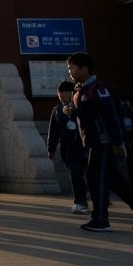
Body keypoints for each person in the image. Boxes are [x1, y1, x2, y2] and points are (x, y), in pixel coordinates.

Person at [68, 51, 133, 232]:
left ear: (85, 68)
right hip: (93, 141)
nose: (70, 71)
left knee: (96, 179)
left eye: (72, 68)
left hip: (103, 141)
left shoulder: (98, 89)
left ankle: (100, 220)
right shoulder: (81, 90)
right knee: (115, 181)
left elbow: (110, 116)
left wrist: (117, 142)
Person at [46, 80, 89, 214]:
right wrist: (51, 148)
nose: (65, 100)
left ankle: (98, 197)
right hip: (68, 148)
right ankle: (80, 202)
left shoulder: (83, 105)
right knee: (75, 175)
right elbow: (53, 130)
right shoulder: (57, 110)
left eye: (67, 97)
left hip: (85, 145)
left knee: (92, 174)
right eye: (61, 97)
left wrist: (75, 110)